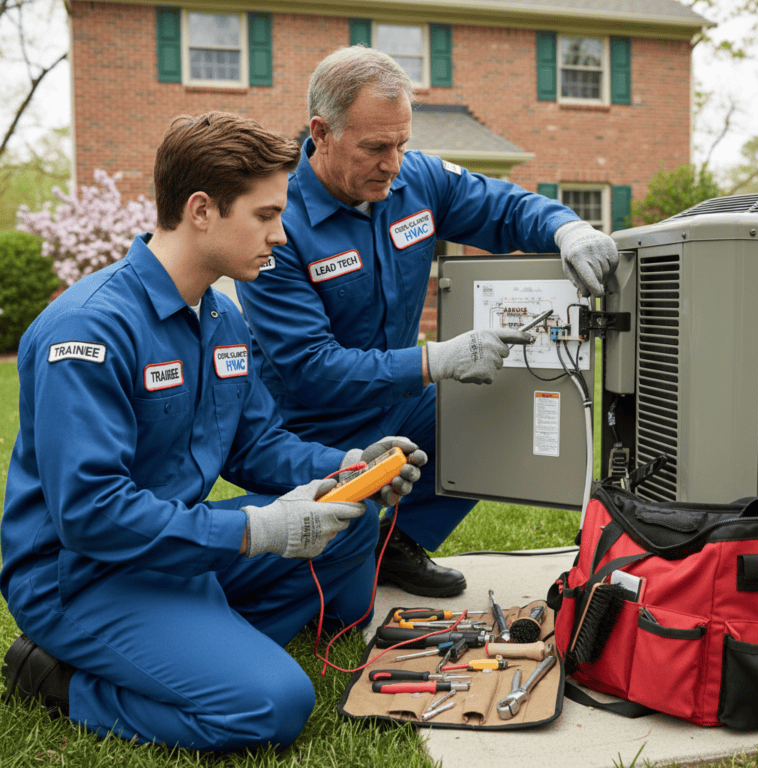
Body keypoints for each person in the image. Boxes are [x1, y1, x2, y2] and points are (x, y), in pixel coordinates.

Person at [0, 111, 426, 752]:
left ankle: (200, 638)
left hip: (174, 554)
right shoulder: (87, 331)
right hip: (84, 576)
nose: (282, 236)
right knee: (273, 704)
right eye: (265, 216)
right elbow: (90, 514)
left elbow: (256, 445)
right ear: (201, 210)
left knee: (349, 523)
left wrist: (348, 467)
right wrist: (255, 532)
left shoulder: (221, 316)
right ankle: (58, 679)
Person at [235, 45, 620, 599]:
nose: (392, 163)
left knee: (492, 403)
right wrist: (437, 360)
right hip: (307, 426)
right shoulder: (278, 221)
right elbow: (309, 368)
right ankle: (354, 540)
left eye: (401, 144)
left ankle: (396, 540)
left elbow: (503, 209)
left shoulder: (415, 182)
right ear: (321, 131)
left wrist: (567, 230)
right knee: (339, 596)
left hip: (395, 397)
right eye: (374, 148)